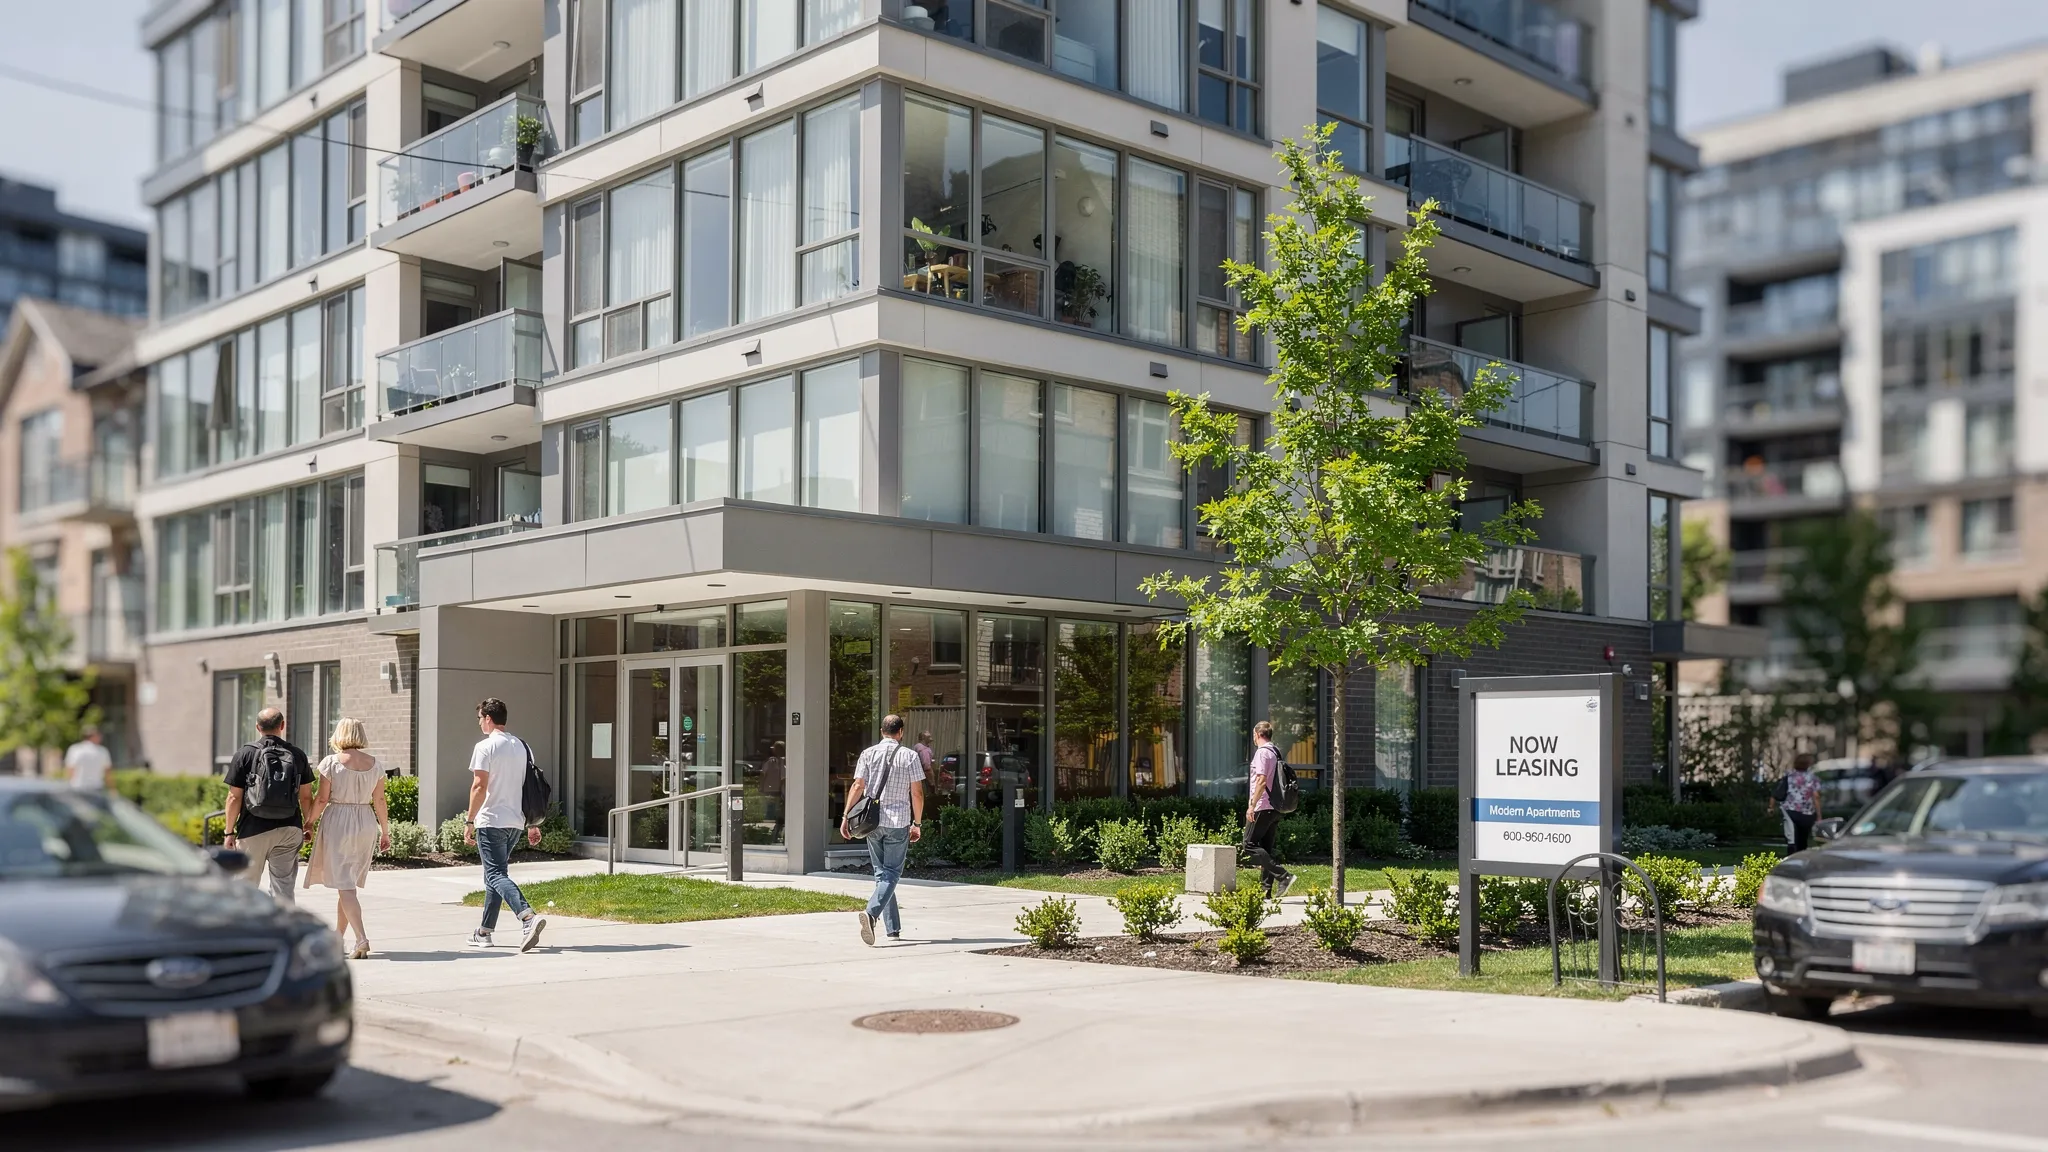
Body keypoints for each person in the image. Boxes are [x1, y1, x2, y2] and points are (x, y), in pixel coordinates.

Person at [462, 698, 547, 952]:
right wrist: (532, 824)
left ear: (488, 718)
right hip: (516, 822)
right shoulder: (523, 746)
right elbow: (530, 787)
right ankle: (484, 932)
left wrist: (469, 820)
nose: (479, 723)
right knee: (495, 877)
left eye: (480, 718)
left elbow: (479, 786)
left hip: (491, 820)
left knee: (496, 874)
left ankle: (527, 918)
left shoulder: (485, 746)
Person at [305, 717, 391, 960]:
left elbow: (321, 799)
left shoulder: (331, 763)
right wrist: (385, 831)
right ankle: (337, 937)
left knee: (345, 883)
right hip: (365, 820)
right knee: (347, 883)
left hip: (338, 820)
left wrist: (309, 822)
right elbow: (380, 801)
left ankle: (361, 938)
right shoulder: (375, 764)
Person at [840, 713, 925, 946]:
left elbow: (858, 785)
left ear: (882, 731)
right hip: (898, 822)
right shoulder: (910, 756)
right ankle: (871, 913)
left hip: (872, 822)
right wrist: (917, 823)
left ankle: (893, 928)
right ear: (901, 732)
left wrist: (846, 816)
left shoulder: (868, 754)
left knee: (882, 874)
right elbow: (916, 793)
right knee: (892, 873)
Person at [223, 708, 316, 902]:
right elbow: (306, 797)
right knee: (283, 887)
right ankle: (282, 928)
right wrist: (308, 824)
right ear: (282, 726)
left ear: (257, 727)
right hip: (289, 828)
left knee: (246, 886)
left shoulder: (245, 754)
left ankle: (249, 931)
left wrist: (229, 832)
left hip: (253, 829)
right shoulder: (297, 755)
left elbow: (234, 798)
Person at [1242, 720, 1296, 899]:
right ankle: (1266, 891)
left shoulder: (1262, 753)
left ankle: (1284, 876)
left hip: (1263, 806)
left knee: (1248, 845)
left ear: (1257, 734)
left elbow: (1261, 781)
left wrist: (1252, 805)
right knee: (1266, 847)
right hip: (1275, 807)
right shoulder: (1275, 751)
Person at [1772, 752, 1824, 852]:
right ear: (1808, 764)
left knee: (1791, 837)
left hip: (1790, 808)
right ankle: (1800, 855)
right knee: (1802, 838)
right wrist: (1819, 815)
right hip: (1807, 811)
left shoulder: (1789, 775)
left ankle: (1791, 853)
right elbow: (1816, 796)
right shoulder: (1812, 778)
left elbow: (1779, 791)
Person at [62, 727, 114, 793]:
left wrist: (67, 786)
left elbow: (70, 770)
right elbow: (108, 772)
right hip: (96, 787)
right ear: (93, 736)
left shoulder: (75, 749)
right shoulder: (102, 751)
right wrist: (112, 789)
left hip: (78, 786)